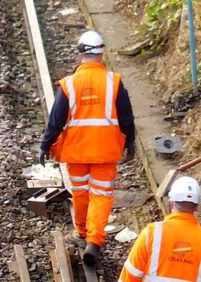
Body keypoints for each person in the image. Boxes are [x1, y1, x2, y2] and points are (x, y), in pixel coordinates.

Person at [38, 30, 136, 267]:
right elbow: (126, 118)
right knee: (101, 196)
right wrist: (129, 142)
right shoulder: (114, 82)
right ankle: (95, 239)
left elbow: (56, 119)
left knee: (80, 192)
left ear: (80, 52)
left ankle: (82, 231)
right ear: (101, 52)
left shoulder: (70, 84)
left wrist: (45, 144)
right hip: (105, 151)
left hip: (77, 150)